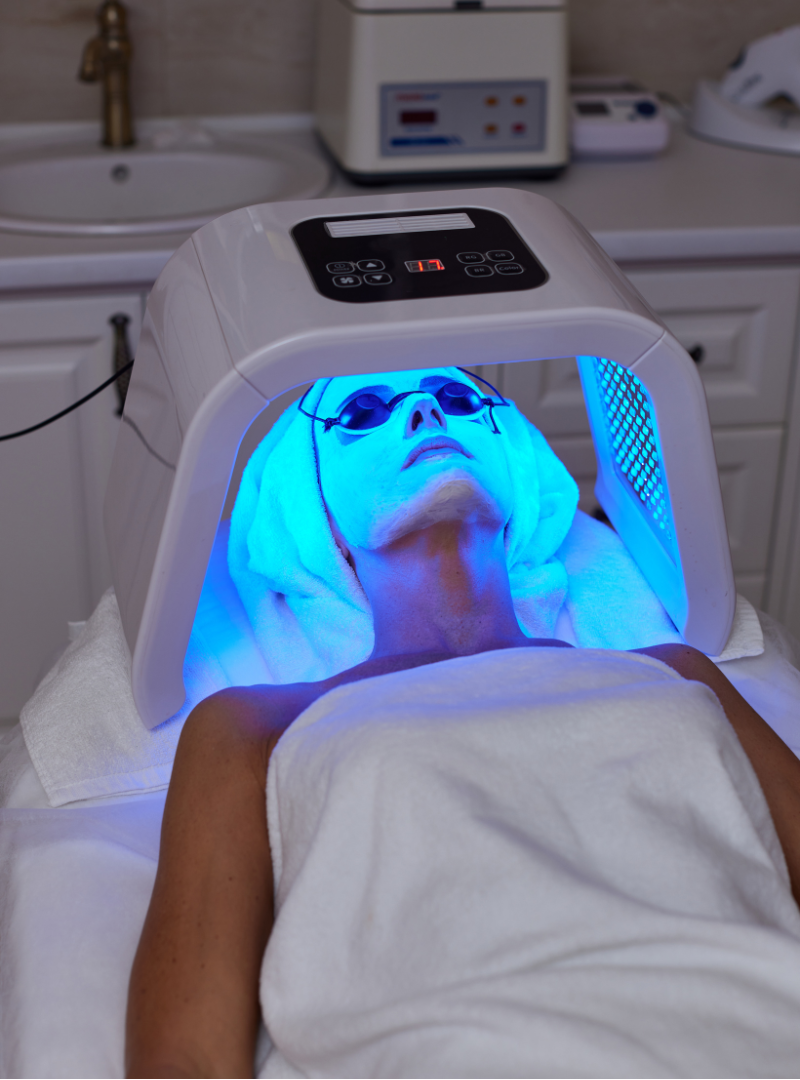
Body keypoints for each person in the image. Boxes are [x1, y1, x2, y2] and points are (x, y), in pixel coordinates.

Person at [125, 368, 800, 1080]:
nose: (423, 412)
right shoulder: (253, 726)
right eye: (362, 411)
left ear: (516, 472)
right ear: (317, 517)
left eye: (456, 399)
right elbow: (189, 1054)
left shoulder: (676, 672)